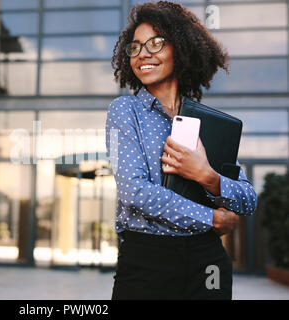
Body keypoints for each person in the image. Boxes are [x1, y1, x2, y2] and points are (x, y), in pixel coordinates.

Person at [105, 1, 257, 300]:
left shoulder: (209, 124)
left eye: (156, 43)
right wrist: (211, 218)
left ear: (181, 48)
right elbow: (134, 191)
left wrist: (208, 176)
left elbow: (248, 199)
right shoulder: (124, 112)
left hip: (208, 261)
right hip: (147, 259)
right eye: (134, 47)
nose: (143, 54)